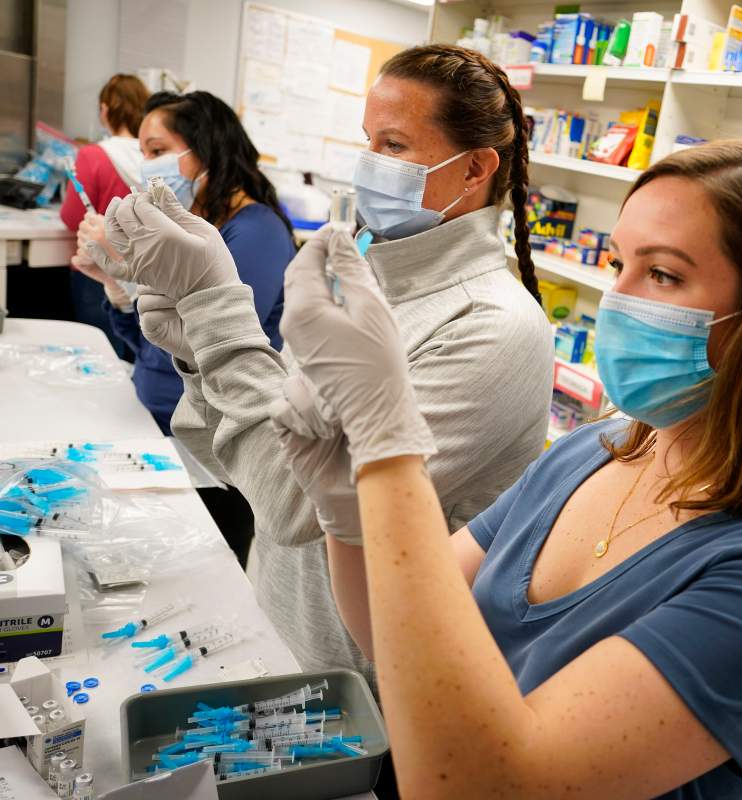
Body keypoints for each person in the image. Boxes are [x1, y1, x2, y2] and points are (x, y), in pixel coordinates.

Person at [108, 137, 742, 797]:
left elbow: (492, 784)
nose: (620, 299)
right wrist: (344, 510)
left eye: (665, 275)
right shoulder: (590, 453)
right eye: (620, 263)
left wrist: (388, 448)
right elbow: (391, 632)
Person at [91, 46, 555, 686]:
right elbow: (244, 461)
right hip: (277, 630)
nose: (368, 166)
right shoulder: (360, 278)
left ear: (475, 168)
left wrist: (216, 309)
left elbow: (297, 507)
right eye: (368, 141)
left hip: (363, 688)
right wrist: (195, 348)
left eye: (393, 144)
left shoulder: (494, 329)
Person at [77, 90, 295, 565]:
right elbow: (157, 347)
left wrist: (132, 281)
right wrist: (119, 288)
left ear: (204, 148)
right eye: (142, 154)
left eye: (157, 152)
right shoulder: (200, 224)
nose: (146, 166)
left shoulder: (254, 231)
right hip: (164, 428)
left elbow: (221, 347)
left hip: (215, 443)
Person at [61, 74, 148, 357]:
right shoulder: (156, 157)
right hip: (143, 271)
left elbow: (72, 216)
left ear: (106, 109)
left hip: (98, 270)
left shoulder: (93, 155)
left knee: (101, 356)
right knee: (137, 354)